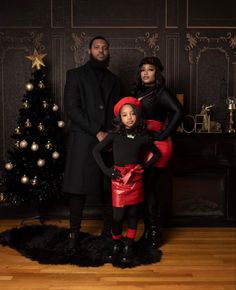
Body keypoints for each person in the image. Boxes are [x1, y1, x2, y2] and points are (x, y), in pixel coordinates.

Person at [62, 36, 121, 248]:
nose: (101, 51)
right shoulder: (75, 75)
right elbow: (72, 110)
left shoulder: (114, 80)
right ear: (89, 51)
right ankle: (73, 235)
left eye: (105, 48)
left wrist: (112, 135)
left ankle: (108, 234)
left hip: (108, 141)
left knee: (108, 188)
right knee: (78, 189)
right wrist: (97, 131)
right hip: (83, 139)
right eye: (97, 47)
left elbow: (117, 113)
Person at [93, 96, 160, 263]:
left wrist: (144, 167)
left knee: (133, 214)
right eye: (125, 115)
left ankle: (129, 245)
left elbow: (157, 153)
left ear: (138, 115)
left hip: (135, 179)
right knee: (117, 216)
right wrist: (107, 171)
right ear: (119, 118)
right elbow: (96, 151)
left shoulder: (143, 137)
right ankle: (116, 243)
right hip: (118, 180)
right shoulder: (114, 135)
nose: (129, 117)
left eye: (132, 114)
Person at [131, 56, 184, 248]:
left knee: (149, 187)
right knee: (145, 188)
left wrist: (163, 134)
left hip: (158, 145)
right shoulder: (138, 91)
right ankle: (149, 232)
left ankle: (154, 234)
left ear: (157, 73)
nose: (145, 72)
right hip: (143, 142)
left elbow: (179, 111)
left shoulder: (161, 92)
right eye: (142, 69)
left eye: (150, 69)